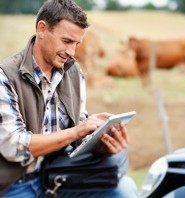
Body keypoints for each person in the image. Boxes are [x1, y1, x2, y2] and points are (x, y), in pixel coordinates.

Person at [0, 0, 139, 197]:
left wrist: (102, 142)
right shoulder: (5, 76)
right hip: (16, 184)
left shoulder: (74, 72)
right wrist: (77, 131)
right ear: (42, 29)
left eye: (76, 44)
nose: (72, 52)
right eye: (66, 41)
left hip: (61, 173)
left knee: (124, 190)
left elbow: (78, 129)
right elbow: (13, 147)